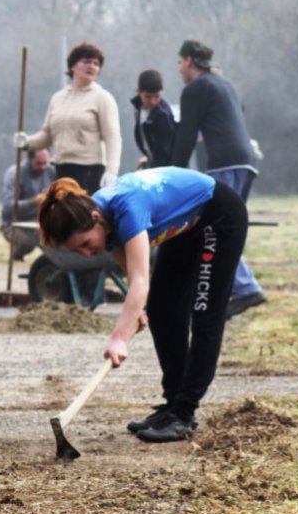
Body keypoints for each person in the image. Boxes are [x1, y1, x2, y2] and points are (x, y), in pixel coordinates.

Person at [37, 168, 248, 442]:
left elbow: (139, 282)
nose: (87, 253)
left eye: (86, 244)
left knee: (205, 313)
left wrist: (119, 338)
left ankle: (184, 413)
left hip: (217, 214)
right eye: (78, 251)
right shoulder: (104, 222)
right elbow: (132, 273)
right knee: (161, 311)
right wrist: (138, 312)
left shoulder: (127, 209)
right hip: (185, 228)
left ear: (96, 218)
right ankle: (172, 405)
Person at [170, 40, 266, 318]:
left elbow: (186, 136)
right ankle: (235, 290)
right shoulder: (225, 85)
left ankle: (245, 288)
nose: (179, 69)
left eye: (179, 63)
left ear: (188, 61)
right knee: (226, 228)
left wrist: (173, 174)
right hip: (247, 161)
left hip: (224, 164)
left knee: (215, 229)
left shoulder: (195, 89)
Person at [14, 41, 121, 195]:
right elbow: (48, 135)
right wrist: (26, 142)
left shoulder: (102, 98)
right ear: (72, 66)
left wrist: (111, 171)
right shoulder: (58, 98)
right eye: (86, 61)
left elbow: (113, 137)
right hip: (61, 168)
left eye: (96, 64)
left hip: (90, 170)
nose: (91, 66)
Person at [0, 148, 56, 260]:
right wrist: (32, 202)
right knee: (29, 241)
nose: (43, 167)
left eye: (45, 163)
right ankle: (17, 254)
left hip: (40, 220)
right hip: (15, 223)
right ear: (29, 159)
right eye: (38, 163)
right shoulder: (14, 174)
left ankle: (50, 262)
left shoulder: (51, 171)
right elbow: (8, 207)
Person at [131, 69, 179, 170]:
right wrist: (148, 157)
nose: (153, 102)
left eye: (157, 96)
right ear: (138, 92)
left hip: (167, 168)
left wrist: (153, 171)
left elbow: (163, 152)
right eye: (148, 97)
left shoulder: (162, 116)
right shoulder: (139, 109)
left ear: (162, 92)